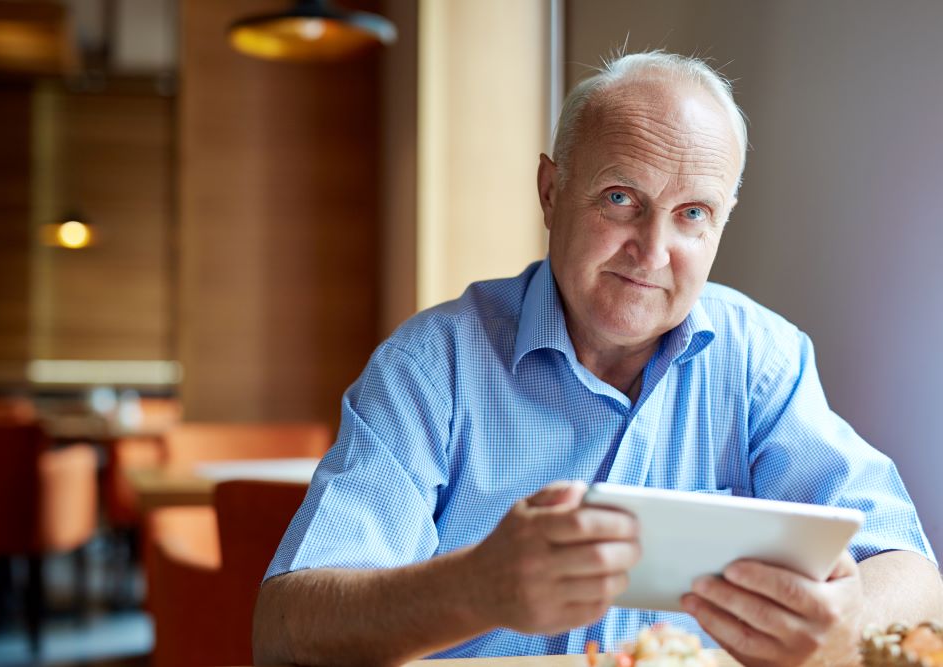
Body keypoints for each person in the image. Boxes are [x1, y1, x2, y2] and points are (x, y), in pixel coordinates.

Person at [252, 52, 943, 666]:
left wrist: (847, 625)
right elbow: (285, 629)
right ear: (551, 193)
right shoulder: (431, 368)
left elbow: (915, 572)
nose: (653, 250)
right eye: (621, 199)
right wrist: (473, 588)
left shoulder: (763, 360)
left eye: (693, 215)